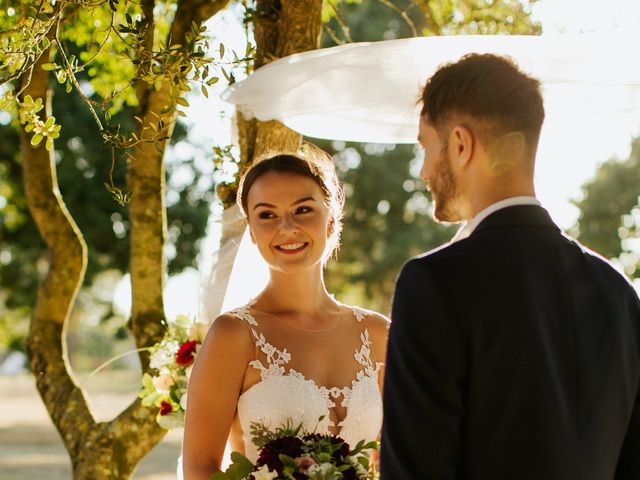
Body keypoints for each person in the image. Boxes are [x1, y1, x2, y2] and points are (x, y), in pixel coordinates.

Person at [381, 53, 640, 479]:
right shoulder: (616, 289)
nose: (425, 169)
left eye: (426, 147)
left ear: (461, 145)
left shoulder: (435, 283)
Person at [182, 147, 389, 479]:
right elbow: (199, 469)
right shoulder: (233, 335)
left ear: (331, 218)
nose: (287, 227)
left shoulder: (379, 335)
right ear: (251, 229)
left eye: (303, 209)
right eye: (267, 215)